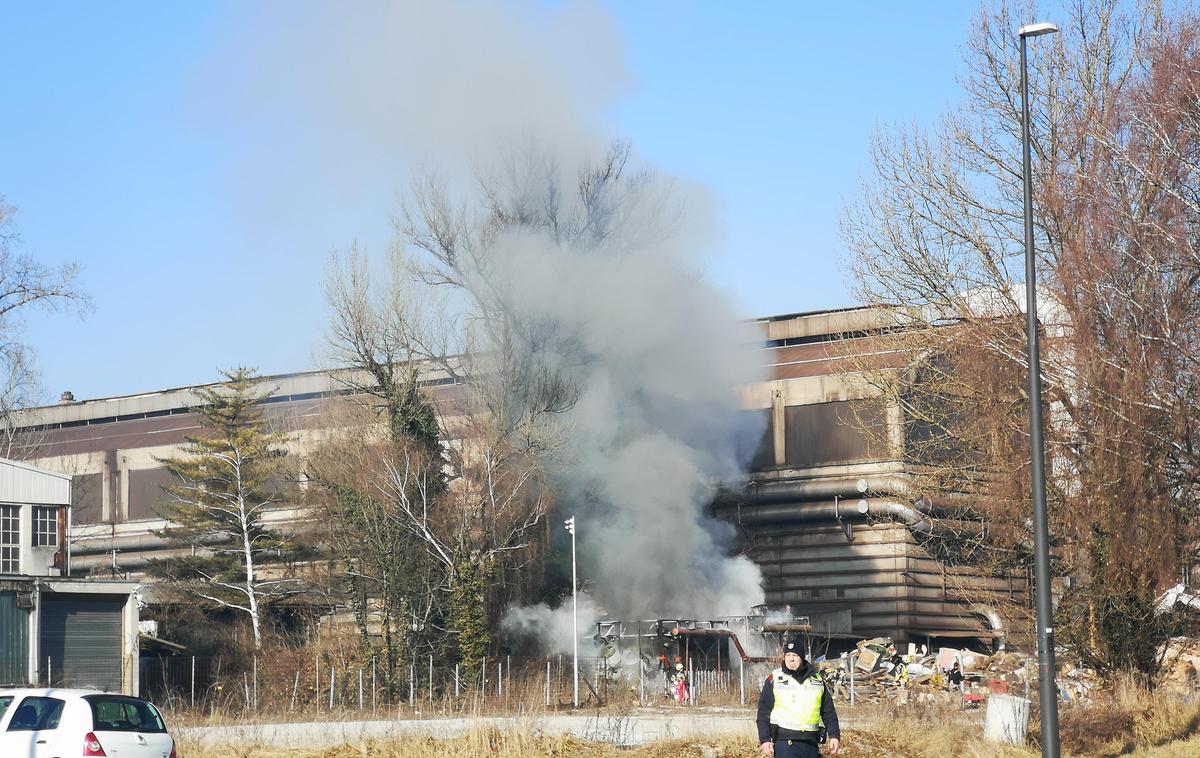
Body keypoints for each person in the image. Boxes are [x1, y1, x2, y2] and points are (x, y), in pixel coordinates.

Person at [756, 637, 841, 757]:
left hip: (810, 743)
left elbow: (828, 712)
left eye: (795, 655)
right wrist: (765, 739)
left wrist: (834, 735)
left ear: (802, 657)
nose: (791, 659)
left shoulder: (817, 680)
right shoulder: (774, 679)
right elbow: (763, 712)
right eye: (788, 655)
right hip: (785, 743)